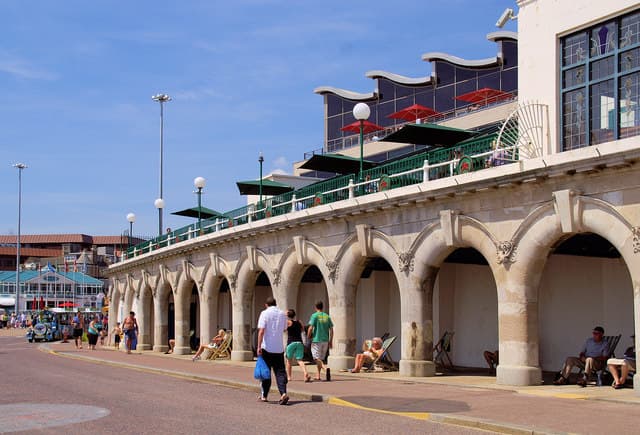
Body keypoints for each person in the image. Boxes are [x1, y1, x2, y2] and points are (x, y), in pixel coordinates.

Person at [257, 296, 289, 405]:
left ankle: (264, 395)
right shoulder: (282, 314)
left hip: (267, 348)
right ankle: (283, 393)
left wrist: (258, 346)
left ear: (266, 305)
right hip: (279, 348)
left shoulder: (264, 313)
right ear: (275, 304)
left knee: (266, 373)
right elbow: (285, 329)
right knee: (280, 372)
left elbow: (261, 331)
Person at [307, 300, 333, 381]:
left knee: (315, 358)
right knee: (320, 359)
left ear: (315, 307)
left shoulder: (314, 316)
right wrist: (330, 341)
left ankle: (325, 369)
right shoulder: (327, 316)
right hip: (325, 340)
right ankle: (318, 375)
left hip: (316, 339)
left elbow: (310, 328)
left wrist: (308, 336)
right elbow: (331, 329)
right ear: (323, 307)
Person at [285, 309, 311, 382]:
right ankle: (305, 373)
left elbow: (284, 330)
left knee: (289, 360)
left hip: (291, 343)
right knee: (300, 360)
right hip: (299, 342)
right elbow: (303, 330)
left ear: (288, 315)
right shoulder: (299, 322)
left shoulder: (288, 322)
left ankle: (289, 377)